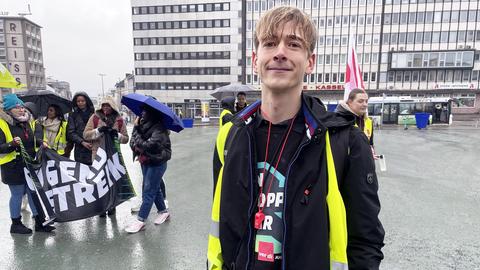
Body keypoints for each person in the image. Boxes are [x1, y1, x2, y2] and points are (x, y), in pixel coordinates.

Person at [207, 7, 384, 270]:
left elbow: (366, 242)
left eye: (293, 44)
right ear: (256, 59)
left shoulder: (345, 142)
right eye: (270, 43)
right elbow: (221, 225)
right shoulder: (230, 135)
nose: (280, 52)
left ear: (309, 62)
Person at [0, 94, 55, 234]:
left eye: (21, 106)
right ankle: (16, 224)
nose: (20, 109)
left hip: (28, 164)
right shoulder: (2, 123)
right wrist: (11, 144)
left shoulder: (26, 121)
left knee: (32, 193)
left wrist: (41, 143)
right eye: (16, 107)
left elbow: (32, 141)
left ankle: (39, 222)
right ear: (8, 109)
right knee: (17, 194)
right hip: (12, 165)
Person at [125, 105, 171, 233]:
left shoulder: (159, 127)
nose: (143, 113)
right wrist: (136, 127)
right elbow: (132, 142)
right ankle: (163, 212)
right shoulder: (140, 124)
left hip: (157, 162)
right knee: (154, 188)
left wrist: (138, 142)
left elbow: (150, 145)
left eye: (146, 111)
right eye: (142, 111)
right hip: (145, 160)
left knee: (148, 190)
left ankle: (140, 220)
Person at [83, 96, 129, 217]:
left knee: (112, 180)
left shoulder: (119, 120)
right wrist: (98, 131)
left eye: (107, 105)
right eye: (103, 105)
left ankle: (112, 205)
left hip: (113, 155)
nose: (105, 108)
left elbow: (126, 139)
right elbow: (86, 135)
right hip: (98, 154)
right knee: (99, 181)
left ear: (112, 106)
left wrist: (117, 135)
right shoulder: (94, 118)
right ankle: (101, 207)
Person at [67, 92, 95, 165]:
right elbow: (71, 132)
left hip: (93, 147)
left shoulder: (94, 114)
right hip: (80, 149)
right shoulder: (73, 115)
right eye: (78, 101)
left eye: (82, 101)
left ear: (86, 101)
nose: (80, 103)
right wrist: (82, 142)